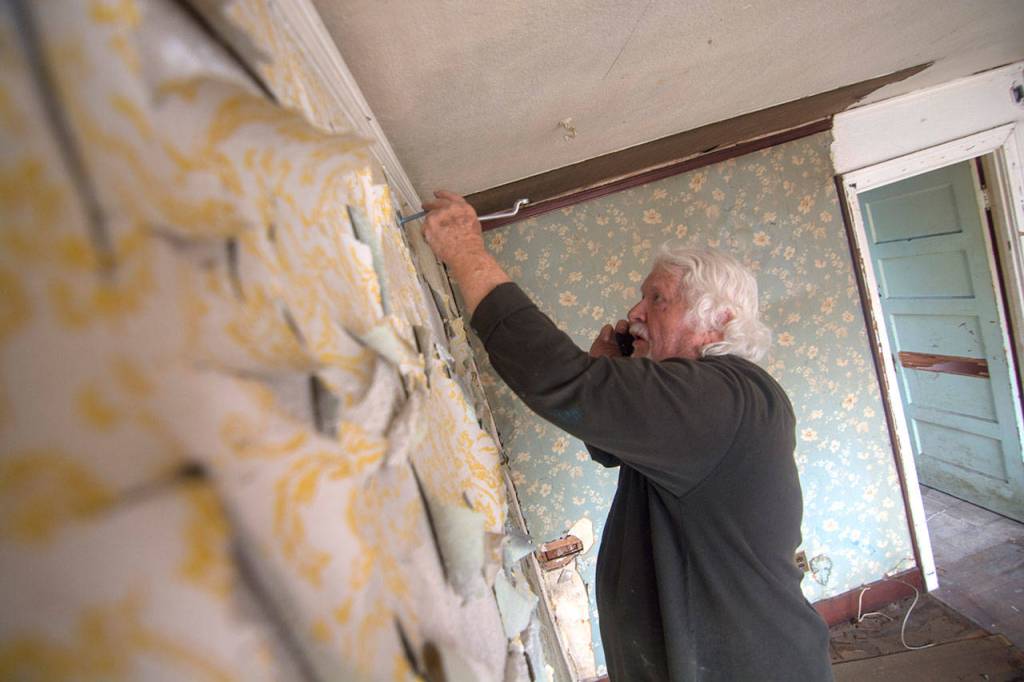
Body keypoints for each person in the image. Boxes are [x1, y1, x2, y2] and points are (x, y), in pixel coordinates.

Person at [421, 190, 834, 681]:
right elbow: (609, 448)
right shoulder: (715, 397)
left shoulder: (719, 397)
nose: (635, 312)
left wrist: (467, 253)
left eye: (657, 298)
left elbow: (557, 379)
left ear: (718, 321)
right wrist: (609, 372)